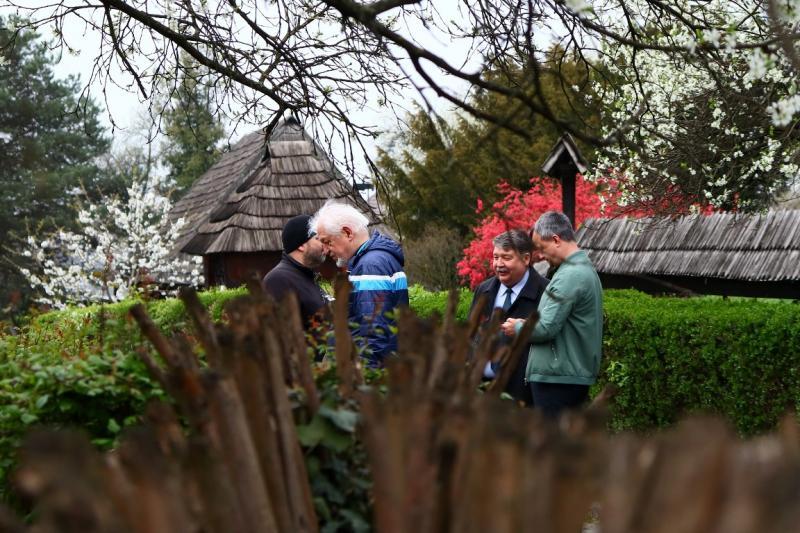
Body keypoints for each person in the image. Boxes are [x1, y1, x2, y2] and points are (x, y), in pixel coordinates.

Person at [501, 211, 603, 418]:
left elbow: (546, 328)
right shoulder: (580, 270)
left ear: (556, 239)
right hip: (565, 375)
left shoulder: (570, 276)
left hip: (559, 379)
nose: (538, 255)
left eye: (540, 247)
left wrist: (518, 327)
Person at [310, 200, 408, 368]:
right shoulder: (376, 260)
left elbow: (374, 334)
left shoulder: (370, 266)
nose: (325, 250)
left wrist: (366, 382)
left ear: (347, 233)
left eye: (327, 242)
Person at [469, 229, 548, 405]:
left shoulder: (545, 292)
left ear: (526, 259)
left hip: (524, 395)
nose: (499, 264)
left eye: (506, 257)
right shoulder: (484, 290)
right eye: (496, 257)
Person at [262, 214, 329, 328]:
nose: (324, 244)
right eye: (318, 239)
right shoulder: (278, 280)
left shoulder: (306, 275)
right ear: (302, 246)